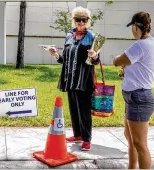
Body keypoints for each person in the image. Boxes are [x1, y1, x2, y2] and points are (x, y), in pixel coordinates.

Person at [113, 12, 154, 169]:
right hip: (135, 96)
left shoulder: (140, 45)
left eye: (132, 28)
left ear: (135, 27)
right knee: (130, 137)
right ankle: (132, 168)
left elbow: (117, 61)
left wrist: (117, 59)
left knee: (140, 144)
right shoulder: (151, 43)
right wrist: (128, 71)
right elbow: (141, 67)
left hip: (139, 97)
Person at [48, 6, 100, 151]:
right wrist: (56, 54)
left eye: (84, 20)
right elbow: (64, 59)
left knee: (84, 110)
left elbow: (96, 61)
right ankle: (77, 134)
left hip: (83, 80)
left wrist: (94, 55)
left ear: (88, 21)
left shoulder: (92, 37)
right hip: (70, 79)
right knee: (73, 108)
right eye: (78, 19)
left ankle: (86, 138)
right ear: (74, 21)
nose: (81, 22)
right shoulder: (69, 36)